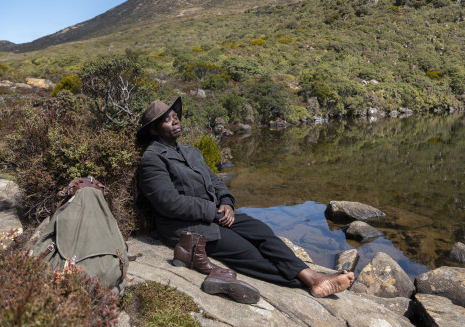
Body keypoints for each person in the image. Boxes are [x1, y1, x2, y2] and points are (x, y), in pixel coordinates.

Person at [136, 98, 354, 302]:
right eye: (167, 119)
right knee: (248, 252)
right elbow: (169, 203)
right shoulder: (152, 160)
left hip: (216, 214)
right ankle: (311, 281)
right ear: (154, 130)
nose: (175, 121)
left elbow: (216, 181)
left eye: (175, 116)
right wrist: (214, 211)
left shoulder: (191, 151)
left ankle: (312, 275)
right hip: (188, 227)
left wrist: (227, 203)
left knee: (262, 232)